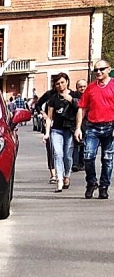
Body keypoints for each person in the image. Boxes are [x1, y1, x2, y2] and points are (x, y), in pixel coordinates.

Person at [76, 61, 114, 198]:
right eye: (96, 70)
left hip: (110, 126)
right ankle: (91, 182)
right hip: (92, 127)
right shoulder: (91, 88)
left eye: (101, 69)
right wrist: (78, 128)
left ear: (108, 69)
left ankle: (104, 186)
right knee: (88, 156)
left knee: (107, 159)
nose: (98, 72)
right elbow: (82, 108)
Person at [44, 73, 78, 191]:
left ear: (67, 82)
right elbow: (49, 117)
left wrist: (72, 101)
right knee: (58, 154)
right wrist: (47, 133)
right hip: (56, 130)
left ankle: (66, 175)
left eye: (62, 82)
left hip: (69, 129)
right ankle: (59, 179)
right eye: (57, 83)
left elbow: (80, 111)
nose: (60, 85)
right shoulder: (53, 99)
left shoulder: (74, 95)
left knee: (67, 155)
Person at [72, 78, 88, 172]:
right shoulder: (73, 97)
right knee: (75, 145)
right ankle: (75, 164)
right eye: (80, 87)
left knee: (84, 145)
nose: (82, 88)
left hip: (88, 124)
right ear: (77, 88)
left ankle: (82, 163)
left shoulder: (90, 96)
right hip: (75, 124)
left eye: (84, 86)